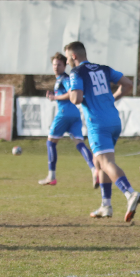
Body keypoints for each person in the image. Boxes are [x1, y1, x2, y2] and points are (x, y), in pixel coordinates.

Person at [65, 41, 140, 222]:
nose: (68, 61)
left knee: (105, 162)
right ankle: (105, 205)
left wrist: (75, 91)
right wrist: (110, 98)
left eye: (68, 57)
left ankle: (130, 193)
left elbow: (75, 98)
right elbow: (127, 84)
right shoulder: (103, 68)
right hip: (114, 120)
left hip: (97, 123)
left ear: (74, 56)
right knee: (98, 162)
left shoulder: (76, 72)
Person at [39, 52, 97, 188]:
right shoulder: (61, 79)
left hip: (64, 113)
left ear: (64, 65)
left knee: (51, 142)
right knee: (80, 143)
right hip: (75, 114)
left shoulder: (64, 78)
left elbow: (71, 92)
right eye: (54, 64)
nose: (56, 67)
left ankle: (51, 176)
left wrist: (55, 98)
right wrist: (55, 96)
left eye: (59, 64)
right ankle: (95, 170)